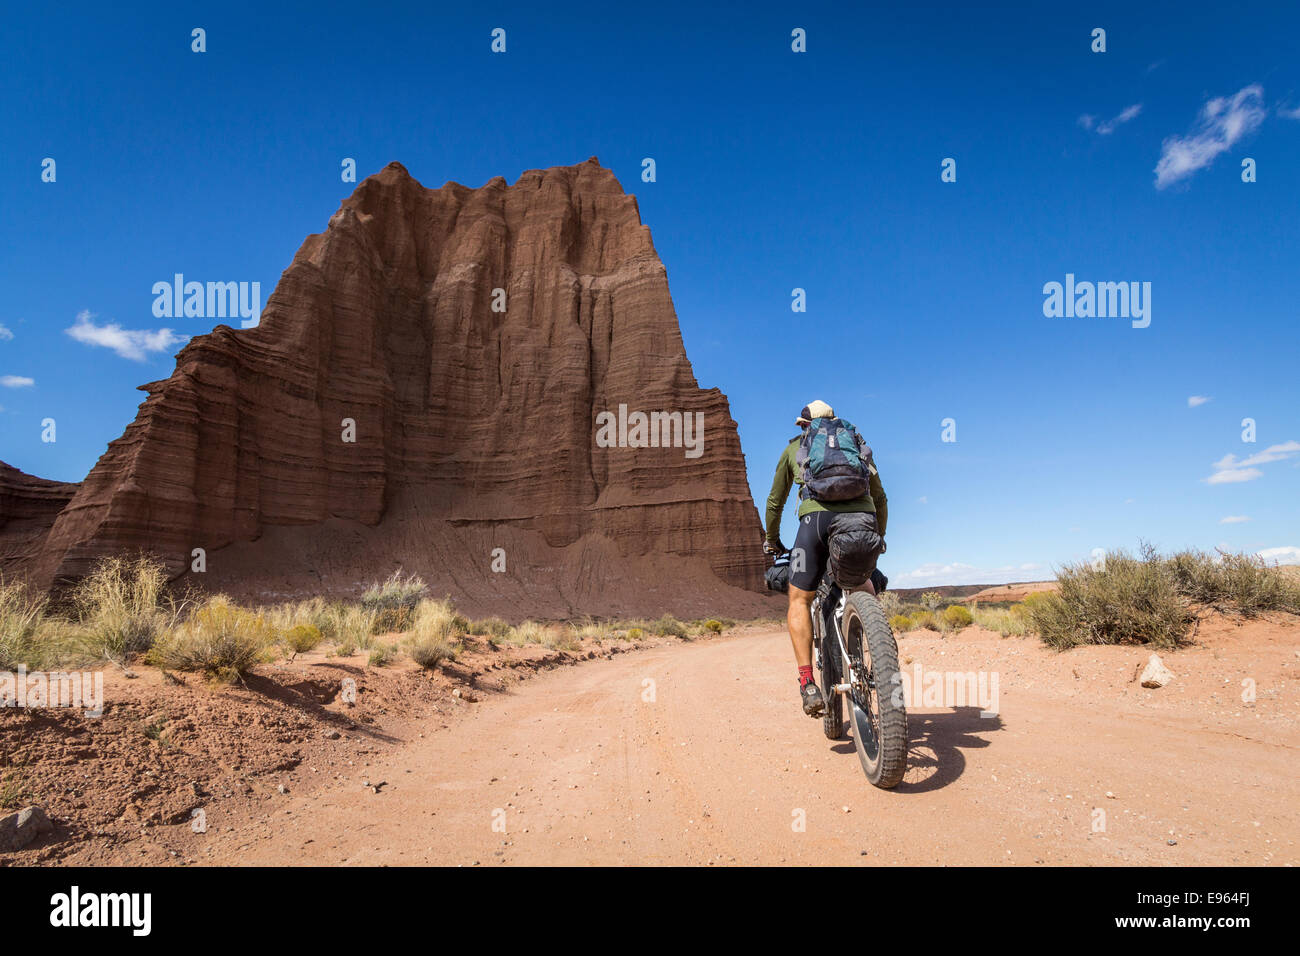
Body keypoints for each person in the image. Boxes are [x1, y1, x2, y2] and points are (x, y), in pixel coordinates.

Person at [764, 400, 888, 716]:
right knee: (862, 586)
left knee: (799, 599)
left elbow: (775, 502)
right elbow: (880, 497)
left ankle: (807, 682)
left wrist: (772, 541)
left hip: (814, 525)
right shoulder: (855, 444)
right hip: (860, 522)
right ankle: (881, 652)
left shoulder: (795, 448)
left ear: (804, 424)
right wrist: (879, 537)